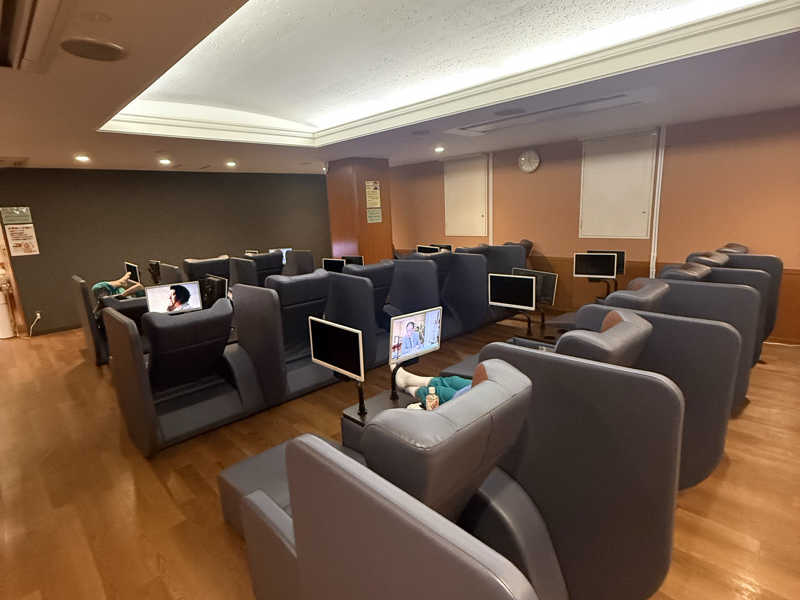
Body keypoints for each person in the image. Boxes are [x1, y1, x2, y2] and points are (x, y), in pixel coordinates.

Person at [392, 362, 489, 408]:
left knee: (438, 393)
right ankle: (407, 379)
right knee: (453, 381)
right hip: (488, 387)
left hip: (479, 403)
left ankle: (409, 388)